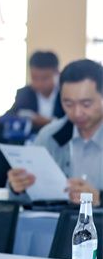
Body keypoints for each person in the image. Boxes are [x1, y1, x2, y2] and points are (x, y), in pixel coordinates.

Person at [8, 59, 103, 205]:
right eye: (68, 103)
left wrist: (100, 199)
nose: (77, 113)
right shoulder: (50, 136)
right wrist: (17, 187)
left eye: (86, 104)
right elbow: (24, 198)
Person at [5, 51, 64, 132]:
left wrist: (49, 121)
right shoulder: (24, 93)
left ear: (57, 73)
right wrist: (25, 117)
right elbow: (7, 117)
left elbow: (71, 122)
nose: (39, 83)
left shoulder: (65, 94)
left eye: (45, 78)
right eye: (34, 78)